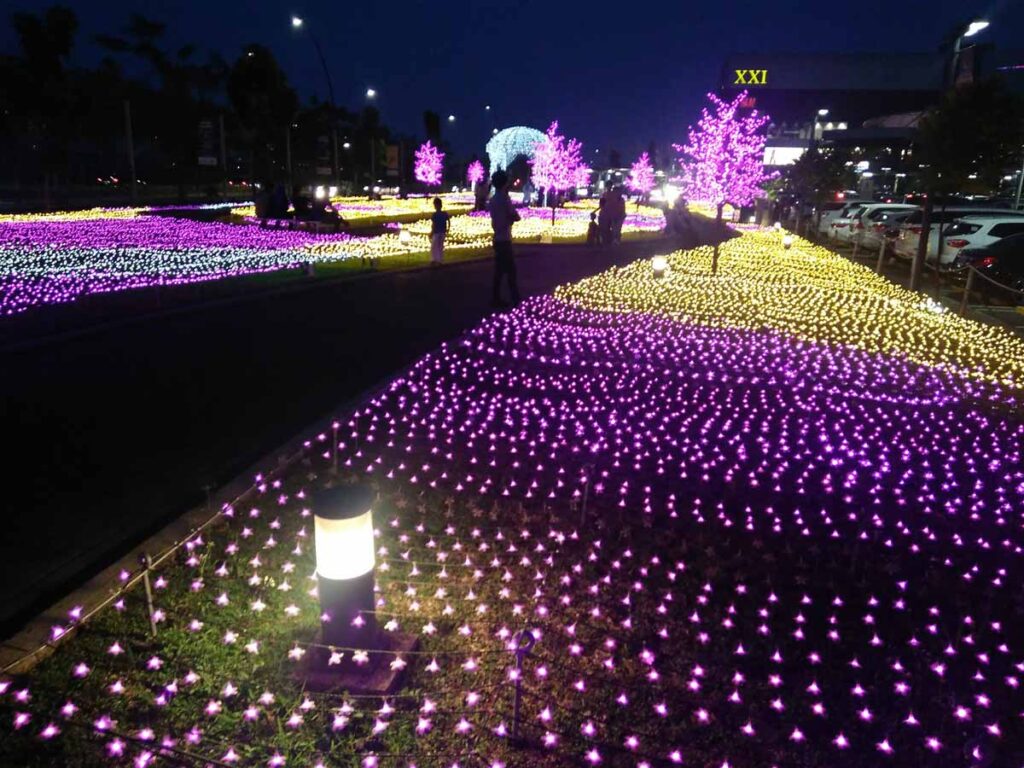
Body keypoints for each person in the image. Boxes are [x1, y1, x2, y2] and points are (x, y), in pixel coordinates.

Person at [488, 169, 521, 307]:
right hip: (505, 239)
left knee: (499, 271)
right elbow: (515, 216)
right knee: (511, 271)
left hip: (497, 237)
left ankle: (496, 298)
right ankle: (515, 300)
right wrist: (513, 217)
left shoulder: (493, 200)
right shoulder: (505, 198)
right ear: (504, 182)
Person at [430, 197, 450, 265]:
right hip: (442, 232)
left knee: (434, 246)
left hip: (437, 232)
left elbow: (433, 224)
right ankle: (439, 260)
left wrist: (431, 232)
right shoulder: (444, 213)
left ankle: (435, 259)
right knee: (440, 246)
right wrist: (447, 229)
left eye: (435, 205)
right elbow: (448, 221)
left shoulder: (435, 215)